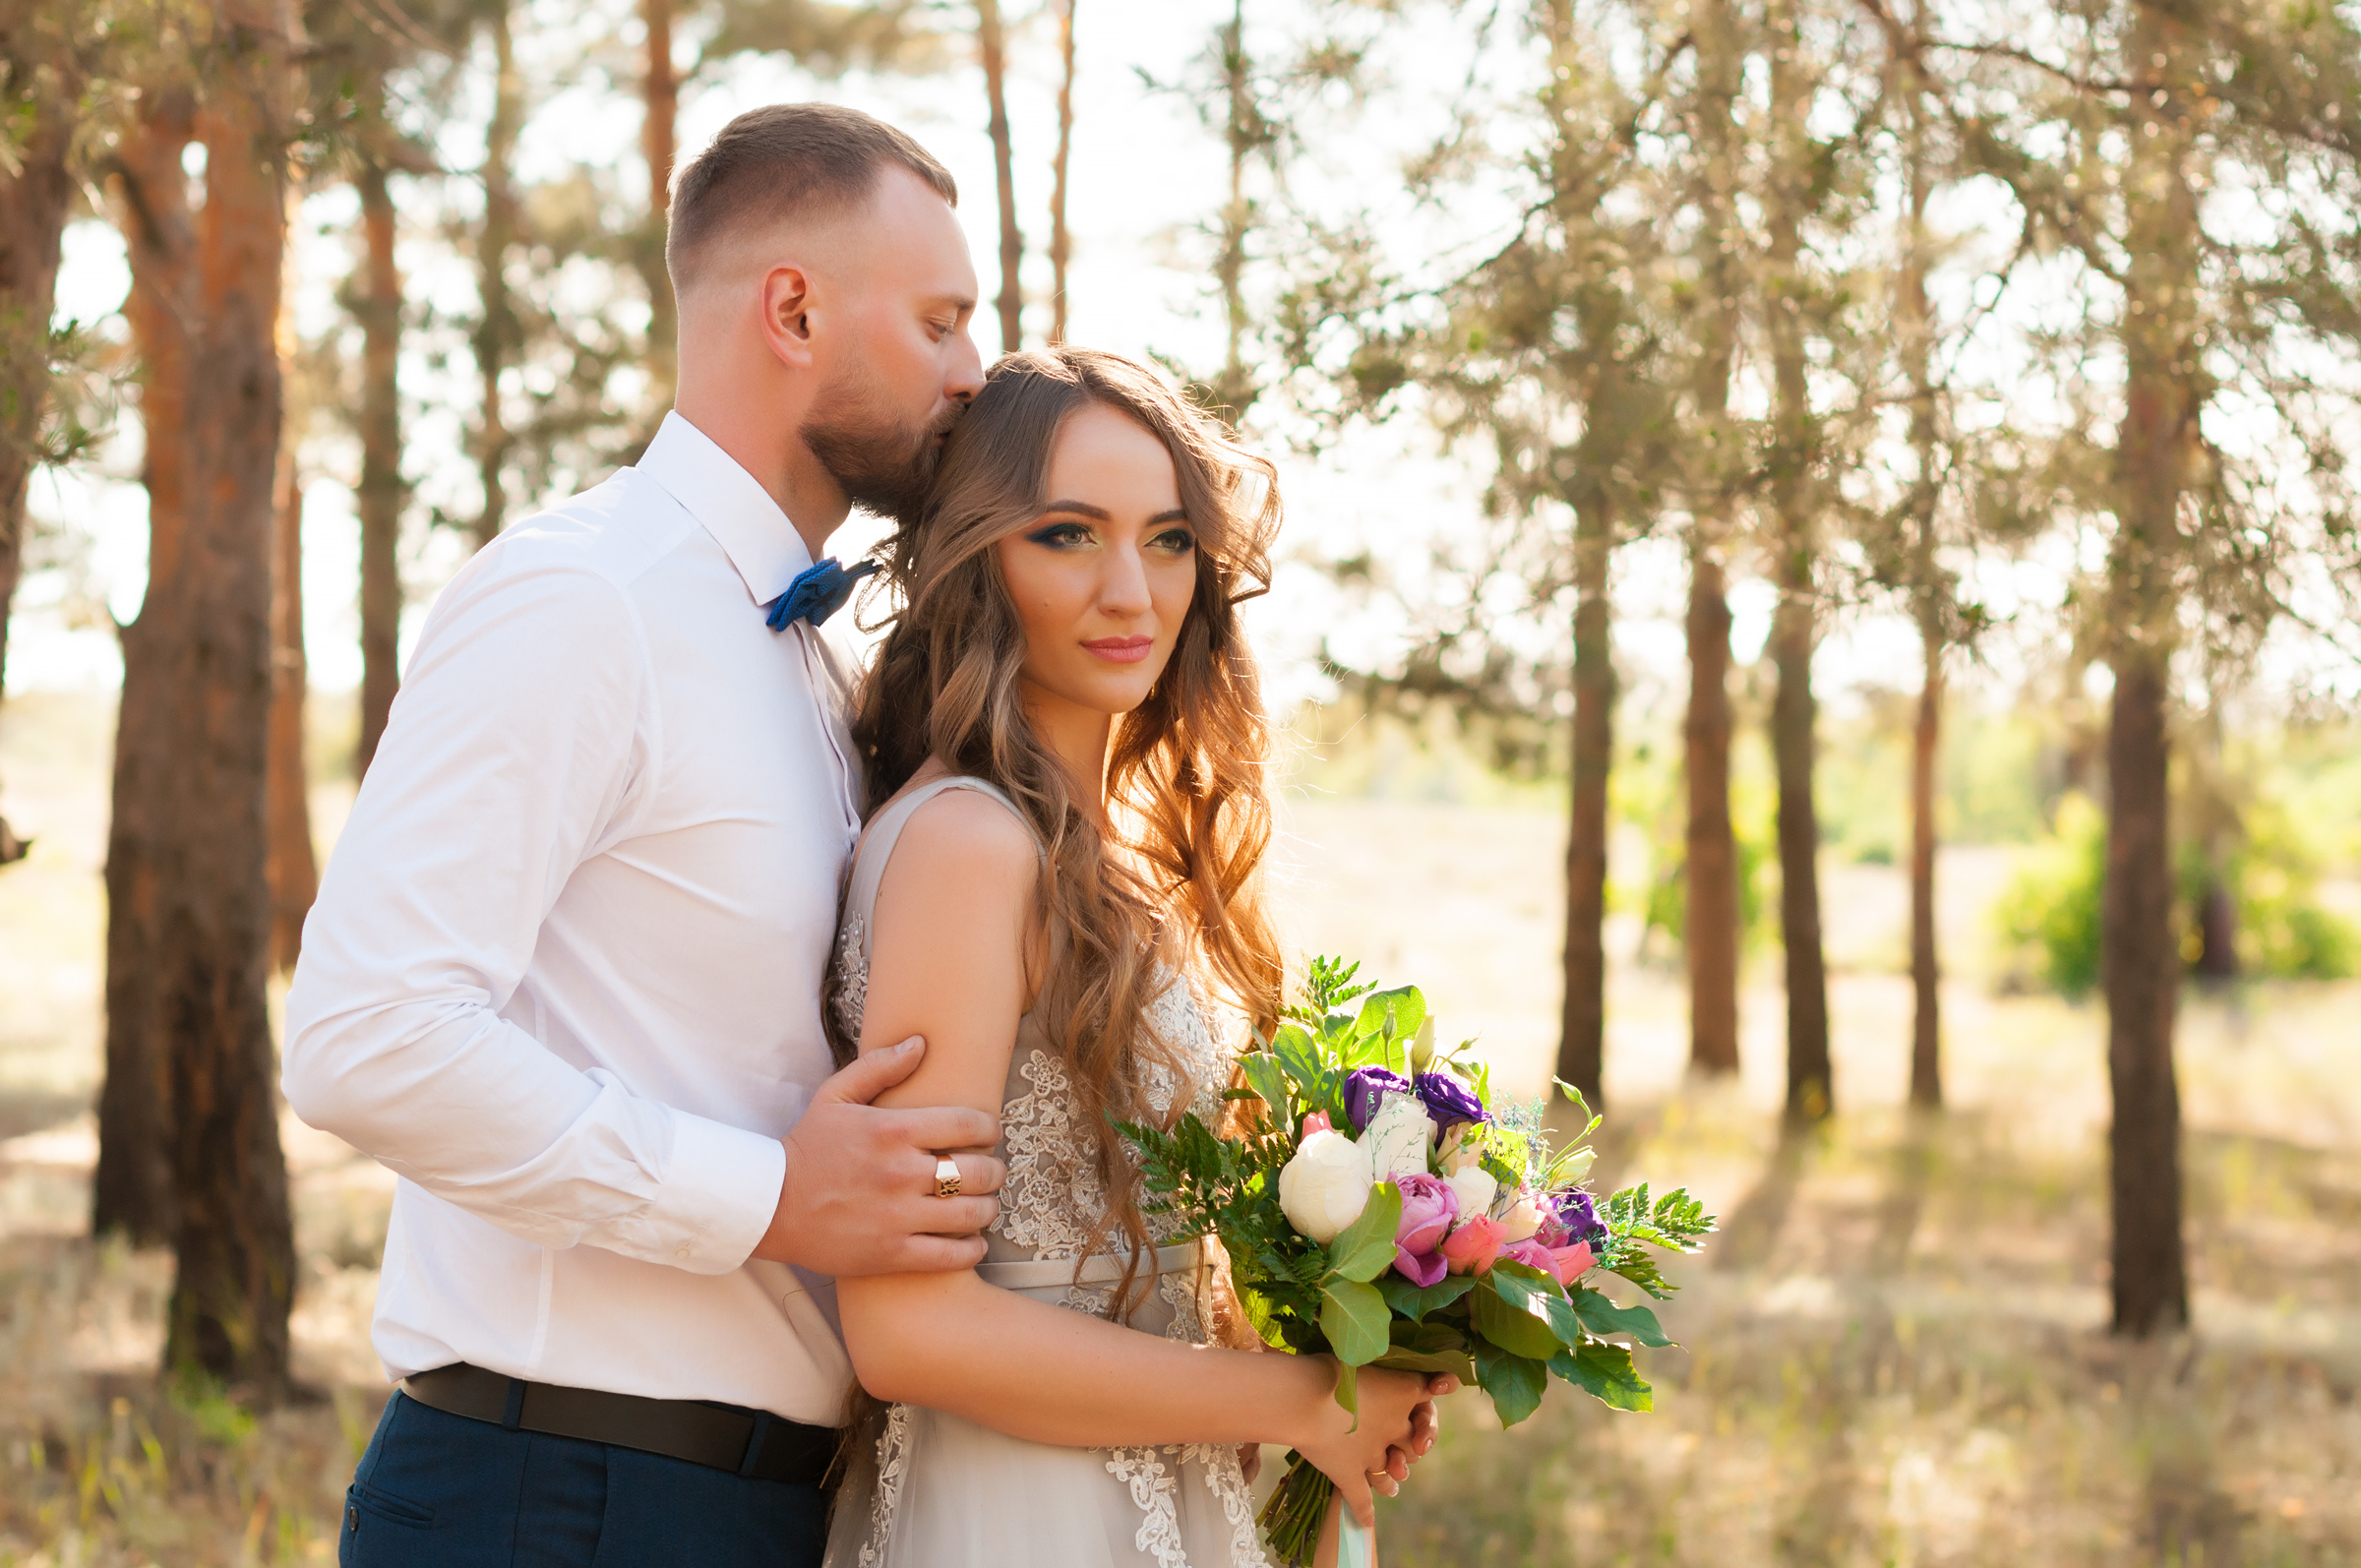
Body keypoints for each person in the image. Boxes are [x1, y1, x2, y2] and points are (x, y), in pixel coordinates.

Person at [281, 105, 1009, 1566]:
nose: (970, 372)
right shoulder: (584, 598)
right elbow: (365, 1034)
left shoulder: (812, 654)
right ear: (791, 309)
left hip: (748, 1503)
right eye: (938, 322)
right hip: (555, 1495)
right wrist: (770, 1195)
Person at [821, 347, 1454, 1568]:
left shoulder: (1098, 857)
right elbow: (909, 1330)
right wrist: (1299, 1399)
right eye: (1067, 534)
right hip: (1015, 1515)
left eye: (1168, 540)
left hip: (1156, 1494)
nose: (1133, 591)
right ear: (977, 557)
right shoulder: (968, 845)